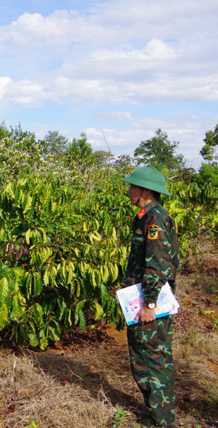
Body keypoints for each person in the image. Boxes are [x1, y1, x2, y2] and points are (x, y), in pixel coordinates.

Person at [121, 166, 179, 427]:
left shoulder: (154, 218)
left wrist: (150, 304)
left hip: (150, 303)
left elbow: (158, 264)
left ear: (146, 190)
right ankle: (155, 413)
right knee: (141, 357)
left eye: (133, 186)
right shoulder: (145, 216)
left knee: (154, 360)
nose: (129, 190)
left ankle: (164, 421)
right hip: (141, 299)